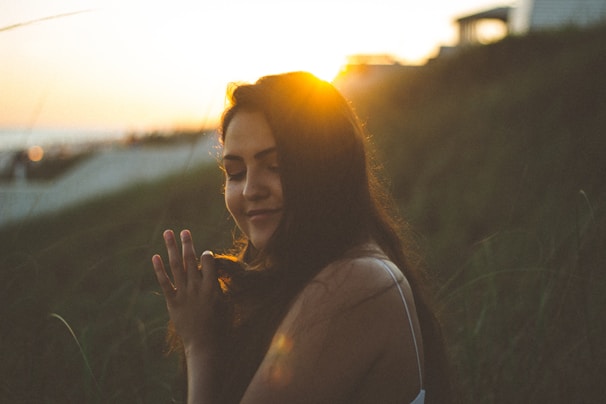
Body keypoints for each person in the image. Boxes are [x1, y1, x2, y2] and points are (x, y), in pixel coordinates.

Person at [152, 71, 453, 403]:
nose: (251, 190)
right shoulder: (303, 277)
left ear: (328, 167)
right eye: (235, 173)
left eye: (276, 165)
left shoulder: (357, 283)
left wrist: (199, 346)